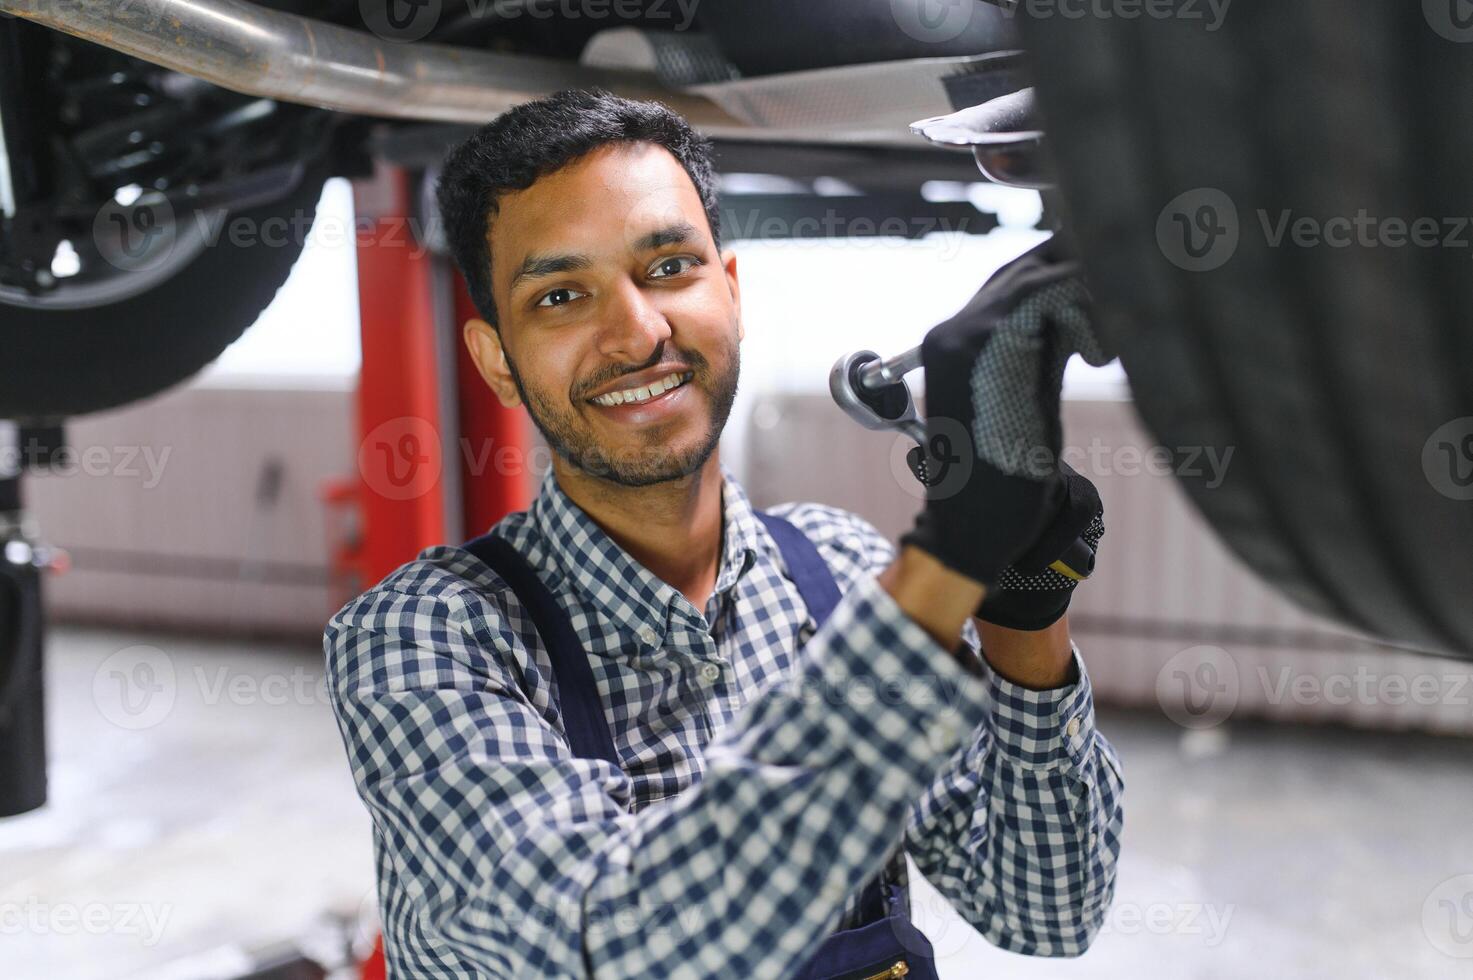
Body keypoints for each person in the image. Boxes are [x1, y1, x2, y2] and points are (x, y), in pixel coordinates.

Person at [324, 87, 1123, 978]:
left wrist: (1023, 601)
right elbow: (611, 943)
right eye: (560, 295)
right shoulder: (421, 639)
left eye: (668, 268)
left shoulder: (843, 574)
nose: (636, 334)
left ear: (731, 292)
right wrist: (944, 569)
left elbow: (1046, 910)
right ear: (495, 363)